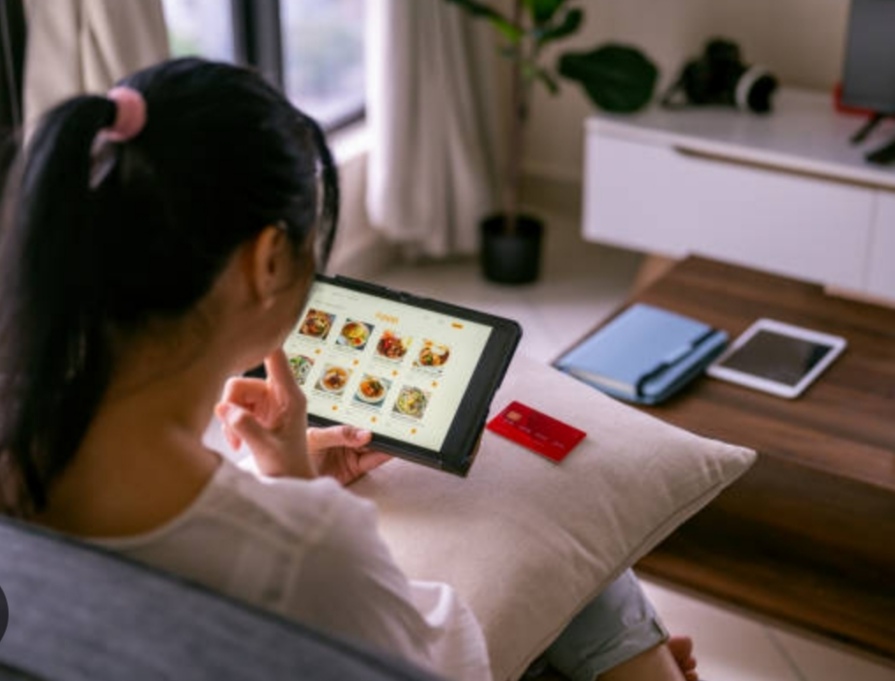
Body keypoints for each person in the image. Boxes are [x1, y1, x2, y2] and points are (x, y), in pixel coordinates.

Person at [0, 57, 697, 681]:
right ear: (267, 259)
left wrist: (286, 480)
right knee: (572, 548)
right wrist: (303, 504)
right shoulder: (307, 552)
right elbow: (449, 662)